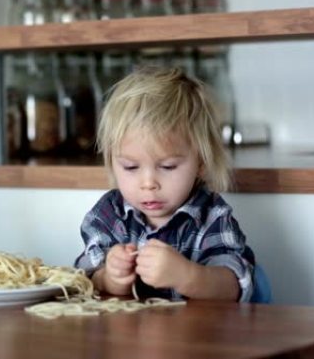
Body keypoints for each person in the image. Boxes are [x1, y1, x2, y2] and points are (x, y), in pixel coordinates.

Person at [74, 67, 255, 302]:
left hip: (195, 336)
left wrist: (188, 276)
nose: (148, 183)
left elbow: (236, 287)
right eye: (130, 167)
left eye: (168, 167)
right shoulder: (109, 214)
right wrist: (109, 278)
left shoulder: (212, 216)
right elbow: (81, 278)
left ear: (201, 162)